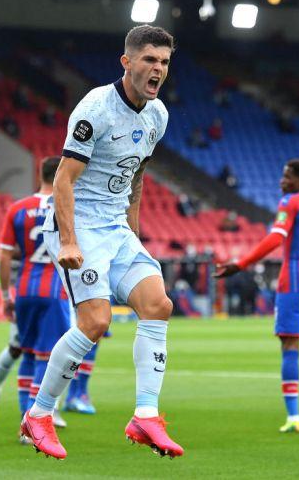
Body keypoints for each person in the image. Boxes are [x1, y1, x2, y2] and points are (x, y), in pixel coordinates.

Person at [20, 25, 183, 460]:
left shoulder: (157, 115)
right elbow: (63, 179)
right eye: (149, 59)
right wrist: (70, 242)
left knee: (158, 305)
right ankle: (38, 415)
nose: (158, 69)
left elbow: (137, 175)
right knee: (95, 321)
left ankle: (145, 416)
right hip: (81, 228)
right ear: (126, 62)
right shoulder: (95, 108)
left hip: (116, 229)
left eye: (164, 62)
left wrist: (133, 228)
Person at [215, 159, 299, 433]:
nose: (281, 182)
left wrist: (241, 263)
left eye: (286, 177)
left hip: (294, 281)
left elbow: (276, 238)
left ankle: (294, 418)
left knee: (290, 346)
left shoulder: (291, 202)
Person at [0, 158, 71, 438]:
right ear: (60, 174)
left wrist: (5, 295)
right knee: (48, 357)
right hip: (54, 290)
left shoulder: (18, 208)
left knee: (26, 353)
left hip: (25, 289)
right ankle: (37, 420)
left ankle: (24, 423)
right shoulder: (68, 205)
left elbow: (5, 255)